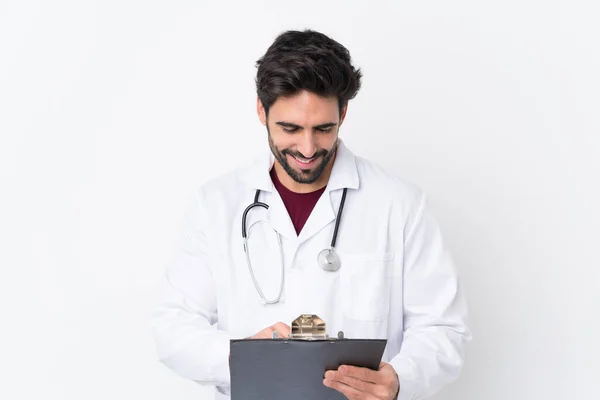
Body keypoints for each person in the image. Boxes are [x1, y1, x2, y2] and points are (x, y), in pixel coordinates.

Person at [151, 29, 471, 400]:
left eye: (323, 128)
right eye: (290, 128)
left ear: (344, 113)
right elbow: (173, 327)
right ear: (261, 110)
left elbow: (445, 328)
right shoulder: (216, 204)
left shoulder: (399, 204)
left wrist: (400, 378)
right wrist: (244, 357)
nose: (307, 148)